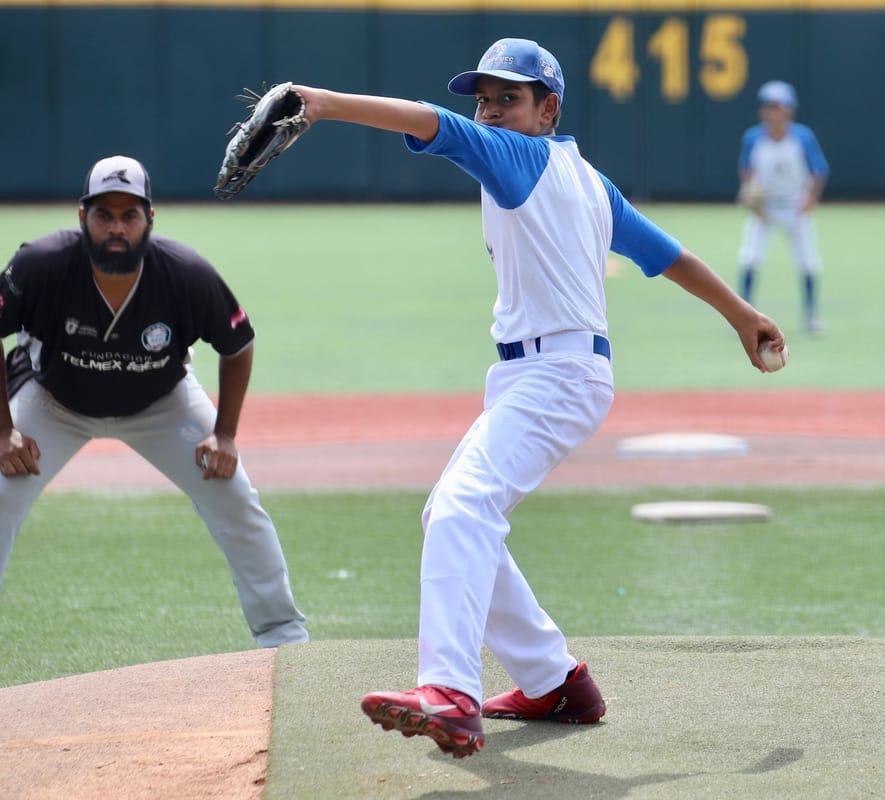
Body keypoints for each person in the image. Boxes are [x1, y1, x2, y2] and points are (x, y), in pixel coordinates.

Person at [288, 37, 785, 758]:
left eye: (509, 99)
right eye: (484, 98)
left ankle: (450, 693)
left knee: (464, 505)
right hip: (545, 374)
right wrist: (741, 314)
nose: (489, 112)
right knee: (451, 512)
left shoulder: (519, 156)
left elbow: (432, 122)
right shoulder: (586, 180)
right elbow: (665, 256)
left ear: (548, 109)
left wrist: (323, 104)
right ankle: (554, 680)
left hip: (557, 374)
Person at [0, 155, 308, 697]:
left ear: (149, 219)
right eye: (104, 215)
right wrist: (2, 431)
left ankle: (285, 639)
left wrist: (226, 434)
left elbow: (238, 345)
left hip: (161, 402)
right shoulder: (41, 264)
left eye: (129, 215)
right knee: (0, 495)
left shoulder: (186, 273)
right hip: (54, 401)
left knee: (233, 495)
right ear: (82, 217)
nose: (116, 227)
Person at [736, 79, 831, 334]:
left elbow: (819, 170)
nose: (773, 112)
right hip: (764, 208)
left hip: (794, 206)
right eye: (768, 106)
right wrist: (751, 198)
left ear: (789, 110)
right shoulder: (753, 138)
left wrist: (810, 200)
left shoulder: (802, 137)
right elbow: (746, 170)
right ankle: (743, 317)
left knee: (809, 262)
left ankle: (811, 317)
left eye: (778, 106)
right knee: (749, 258)